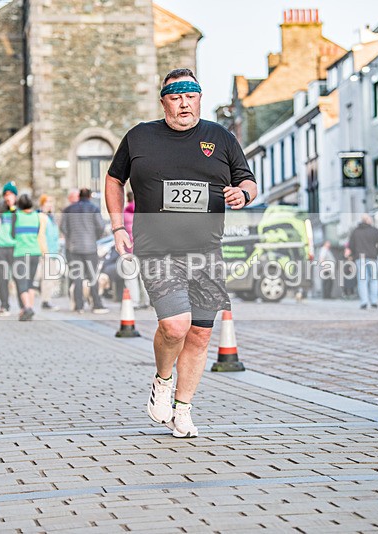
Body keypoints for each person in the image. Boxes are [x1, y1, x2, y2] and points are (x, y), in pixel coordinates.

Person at [104, 68, 257, 438]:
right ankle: (162, 380)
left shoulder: (221, 137)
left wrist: (245, 194)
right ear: (164, 101)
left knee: (201, 335)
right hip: (158, 249)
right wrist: (117, 226)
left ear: (200, 98)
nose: (183, 102)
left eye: (190, 95)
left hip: (207, 251)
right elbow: (113, 180)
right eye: (175, 96)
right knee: (175, 325)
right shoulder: (140, 137)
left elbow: (247, 180)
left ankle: (183, 408)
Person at [60, 188, 108, 314]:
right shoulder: (94, 209)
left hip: (74, 248)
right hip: (90, 248)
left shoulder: (69, 209)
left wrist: (71, 238)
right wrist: (94, 237)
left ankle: (79, 306)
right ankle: (96, 305)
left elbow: (63, 227)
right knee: (92, 276)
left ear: (79, 196)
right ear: (90, 196)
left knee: (77, 277)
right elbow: (101, 226)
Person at [12, 194, 48, 321]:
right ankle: (29, 309)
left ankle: (27, 308)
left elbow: (12, 234)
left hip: (21, 253)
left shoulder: (16, 215)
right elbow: (38, 232)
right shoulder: (37, 216)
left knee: (21, 282)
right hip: (35, 252)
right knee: (30, 282)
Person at [0, 181, 21, 316]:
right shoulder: (1, 207)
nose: (8, 197)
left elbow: (20, 219)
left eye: (10, 194)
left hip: (15, 246)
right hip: (1, 246)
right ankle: (4, 306)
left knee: (18, 277)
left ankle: (23, 306)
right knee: (2, 278)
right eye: (6, 194)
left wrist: (13, 207)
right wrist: (4, 206)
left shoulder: (19, 207)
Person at [346, 214, 378, 310]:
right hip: (372, 258)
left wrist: (354, 255)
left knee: (362, 280)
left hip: (360, 258)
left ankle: (364, 302)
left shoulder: (355, 232)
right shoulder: (374, 231)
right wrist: (376, 252)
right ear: (369, 220)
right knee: (374, 280)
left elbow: (351, 245)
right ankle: (374, 301)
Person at [38, 194, 61, 311]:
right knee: (47, 278)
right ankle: (45, 301)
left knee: (50, 278)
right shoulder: (42, 217)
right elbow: (41, 235)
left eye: (51, 202)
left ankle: (47, 299)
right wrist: (45, 251)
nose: (50, 205)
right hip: (47, 252)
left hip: (53, 252)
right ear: (42, 204)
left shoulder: (51, 217)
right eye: (47, 202)